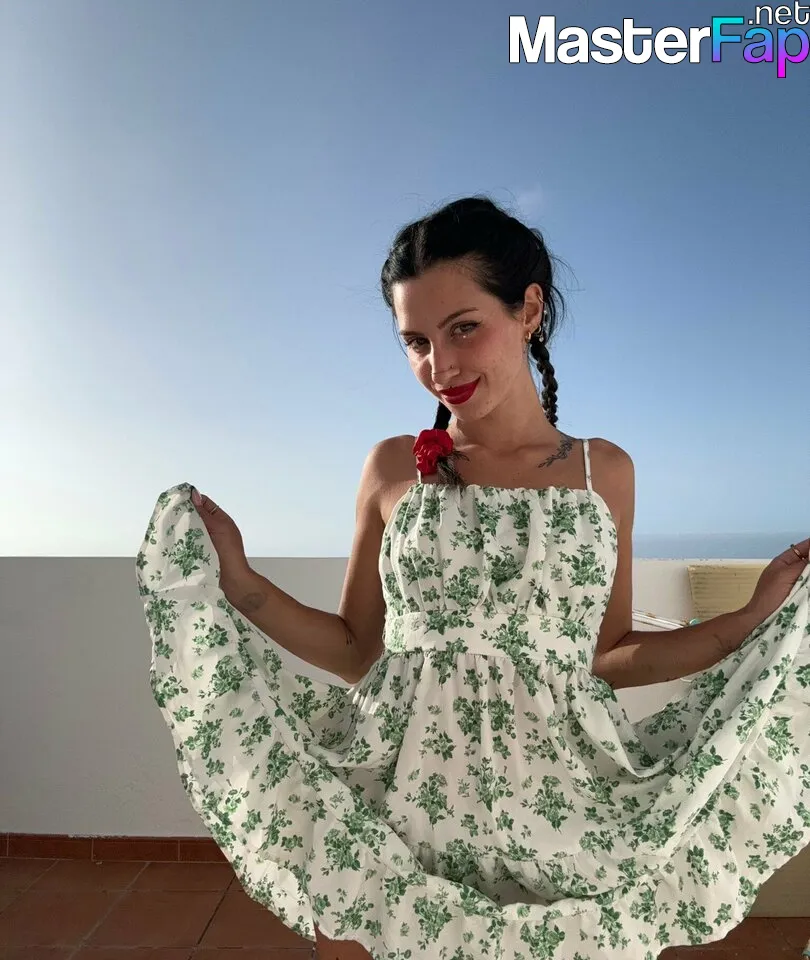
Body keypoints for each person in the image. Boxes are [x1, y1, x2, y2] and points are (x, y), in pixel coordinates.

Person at [137, 196, 810, 960]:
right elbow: (358, 648)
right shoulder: (392, 465)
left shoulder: (605, 472)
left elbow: (609, 654)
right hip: (400, 797)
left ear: (529, 311)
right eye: (416, 341)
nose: (440, 365)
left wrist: (751, 617)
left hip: (560, 804)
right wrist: (240, 582)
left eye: (463, 328)